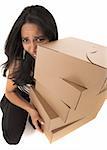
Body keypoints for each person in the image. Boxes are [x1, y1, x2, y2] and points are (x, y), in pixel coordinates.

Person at [0, 5, 58, 145]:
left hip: (39, 96)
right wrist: (31, 109)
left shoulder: (58, 58)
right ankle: (4, 105)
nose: (33, 48)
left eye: (39, 39)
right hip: (19, 93)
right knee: (12, 138)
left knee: (42, 126)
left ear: (50, 36)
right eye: (26, 40)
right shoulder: (19, 61)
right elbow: (9, 91)